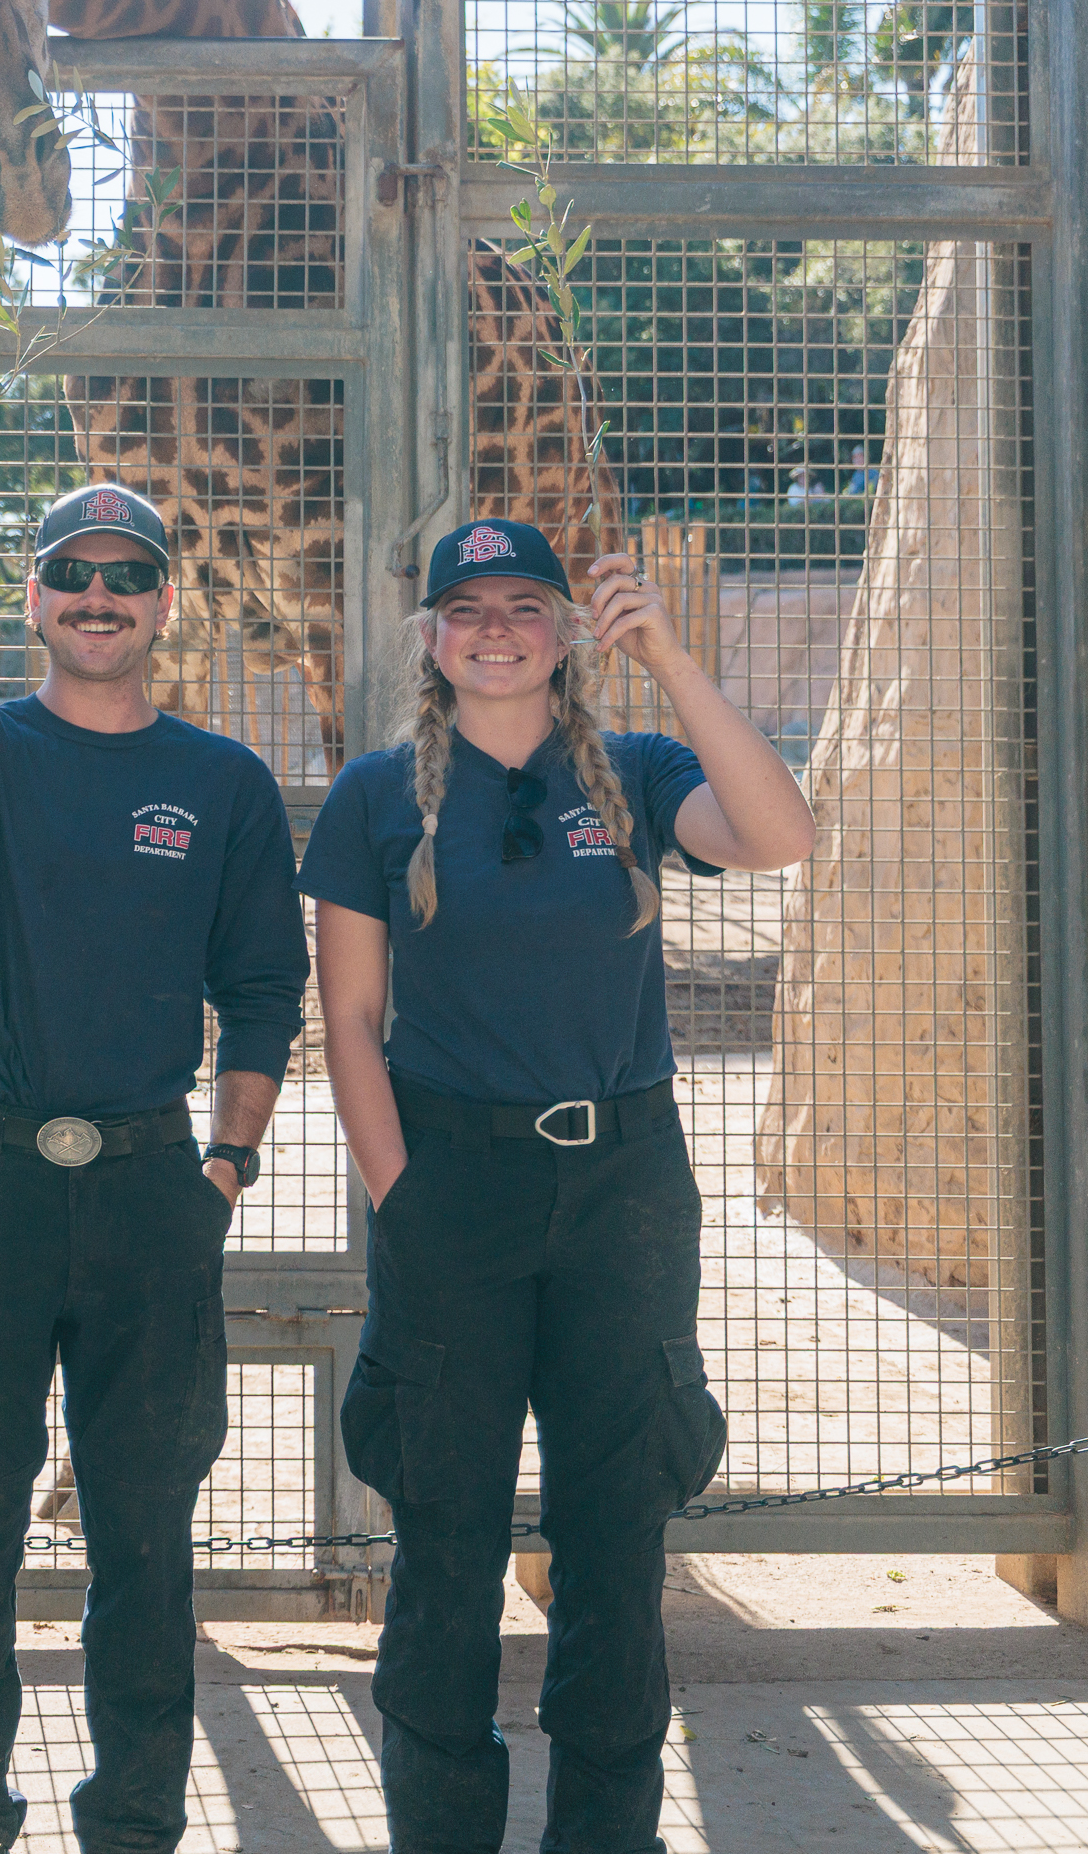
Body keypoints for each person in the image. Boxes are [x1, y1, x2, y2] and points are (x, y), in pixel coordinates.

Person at [299, 518, 815, 1854]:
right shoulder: (374, 795)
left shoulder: (635, 772)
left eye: (522, 604)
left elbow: (775, 832)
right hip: (448, 1181)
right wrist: (400, 1193)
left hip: (622, 1189)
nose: (492, 628)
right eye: (463, 608)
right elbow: (350, 1017)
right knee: (445, 1538)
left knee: (613, 1539)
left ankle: (606, 1834)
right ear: (429, 637)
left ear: (563, 630)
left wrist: (673, 662)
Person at [0, 451, 306, 1854]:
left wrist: (222, 1166)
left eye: (127, 578)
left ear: (167, 604)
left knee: (142, 1539)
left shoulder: (217, 782)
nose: (99, 597)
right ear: (33, 600)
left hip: (147, 1188)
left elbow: (267, 990)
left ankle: (134, 1816)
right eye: (72, 577)